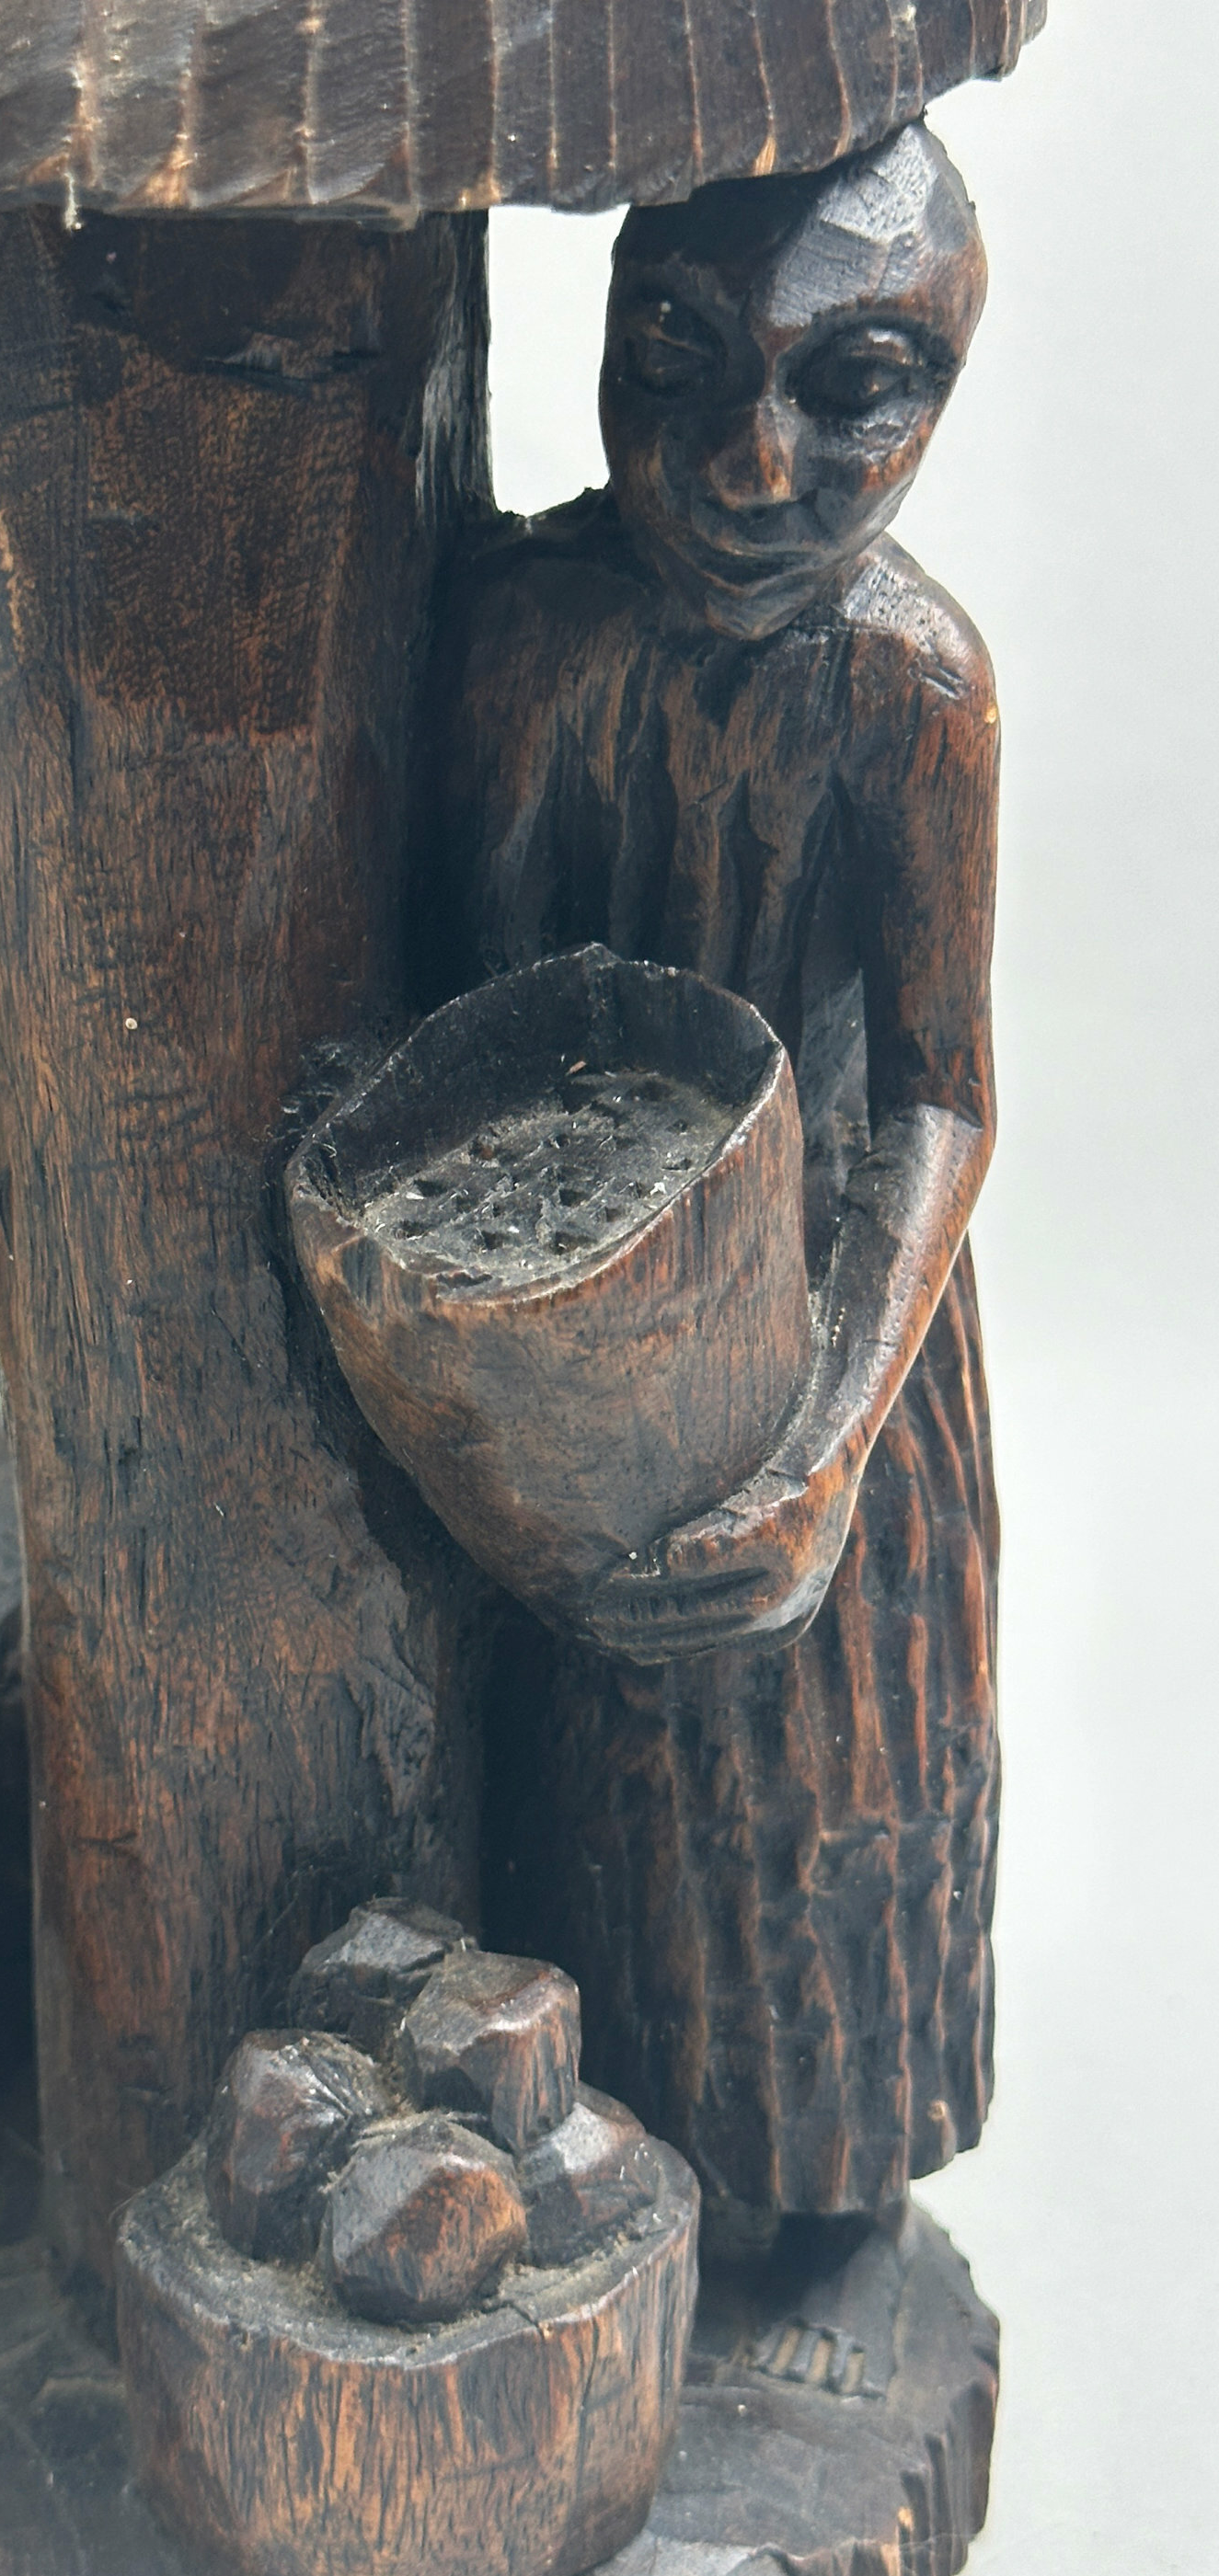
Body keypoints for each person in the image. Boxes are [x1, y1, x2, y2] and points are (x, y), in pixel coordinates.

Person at [426, 122, 1000, 2259]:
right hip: (571, 1327)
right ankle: (602, 2192)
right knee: (590, 1803)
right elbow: (464, 1004)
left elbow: (939, 1102)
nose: (752, 469)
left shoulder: (908, 688)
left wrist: (826, 1457)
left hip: (841, 1334)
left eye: (852, 390)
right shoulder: (531, 633)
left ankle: (829, 2228)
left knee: (836, 1795)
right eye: (674, 367)